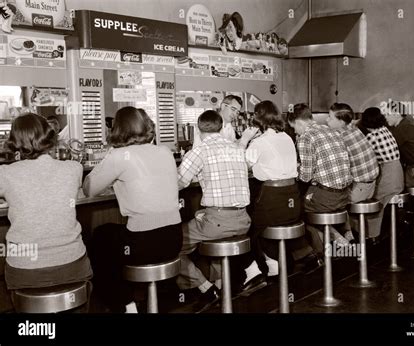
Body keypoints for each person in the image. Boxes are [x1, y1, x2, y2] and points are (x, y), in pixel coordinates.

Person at [83, 107, 182, 313]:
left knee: (100, 238)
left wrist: (108, 156)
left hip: (143, 244)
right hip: (174, 239)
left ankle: (125, 304)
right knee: (111, 237)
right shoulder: (164, 151)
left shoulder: (119, 155)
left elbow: (89, 188)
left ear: (117, 129)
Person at [0, 113, 92, 298]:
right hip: (72, 266)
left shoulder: (5, 173)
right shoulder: (73, 169)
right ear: (49, 136)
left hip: (25, 271)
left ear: (14, 141)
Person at [177, 109, 251, 312]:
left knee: (171, 243)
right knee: (209, 228)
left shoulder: (200, 151)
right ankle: (220, 288)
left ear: (198, 130)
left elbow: (179, 182)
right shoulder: (237, 149)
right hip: (243, 219)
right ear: (220, 127)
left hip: (217, 222)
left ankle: (205, 287)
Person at [239, 101, 302, 293]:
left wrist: (244, 139)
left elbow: (240, 165)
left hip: (273, 199)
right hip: (293, 198)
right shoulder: (287, 137)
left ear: (258, 118)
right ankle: (277, 266)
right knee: (262, 227)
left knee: (246, 230)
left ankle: (254, 272)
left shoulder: (259, 142)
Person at [288, 104, 352, 254]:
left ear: (299, 122)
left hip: (327, 197)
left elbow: (305, 177)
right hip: (344, 195)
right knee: (312, 197)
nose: (295, 132)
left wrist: (294, 169)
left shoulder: (305, 137)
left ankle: (324, 249)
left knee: (297, 210)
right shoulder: (331, 130)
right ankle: (346, 234)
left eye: (294, 128)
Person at [326, 103, 380, 240]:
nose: (327, 120)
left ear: (341, 122)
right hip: (371, 185)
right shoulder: (353, 128)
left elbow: (334, 167)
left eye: (330, 118)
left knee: (328, 203)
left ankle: (344, 238)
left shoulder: (340, 137)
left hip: (360, 189)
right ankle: (350, 235)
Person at [358, 107, 404, 240]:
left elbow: (364, 158)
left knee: (374, 202)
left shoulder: (371, 137)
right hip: (398, 174)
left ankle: (371, 236)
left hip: (389, 177)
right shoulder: (385, 130)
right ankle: (378, 235)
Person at [192, 95, 258, 149]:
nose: (235, 114)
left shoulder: (229, 127)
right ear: (223, 106)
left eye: (237, 112)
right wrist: (244, 139)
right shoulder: (211, 122)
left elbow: (232, 144)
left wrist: (248, 136)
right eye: (233, 109)